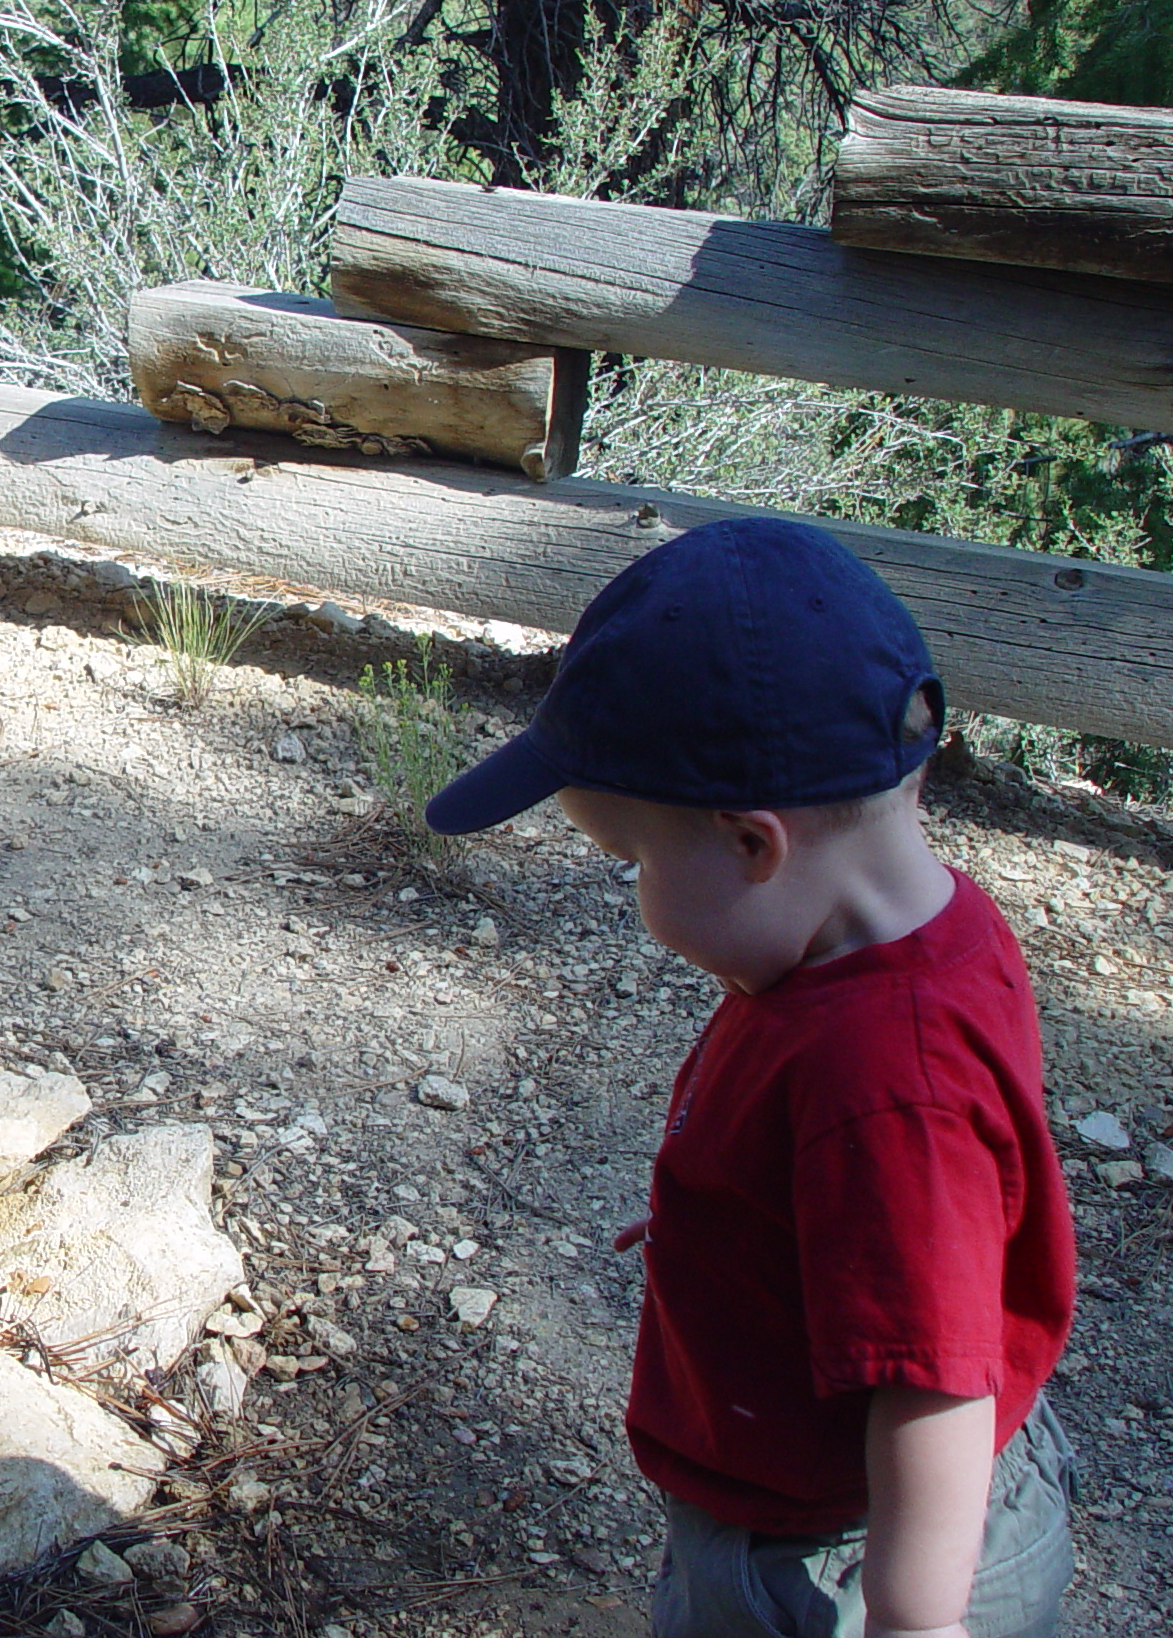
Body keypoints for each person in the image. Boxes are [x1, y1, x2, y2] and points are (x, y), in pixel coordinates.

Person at [425, 518, 1076, 1638]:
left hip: (839, 1555)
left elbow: (934, 1376)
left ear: (751, 845)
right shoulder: (915, 930)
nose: (630, 892)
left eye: (628, 861)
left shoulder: (882, 1080)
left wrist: (913, 1618)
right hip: (822, 1497)